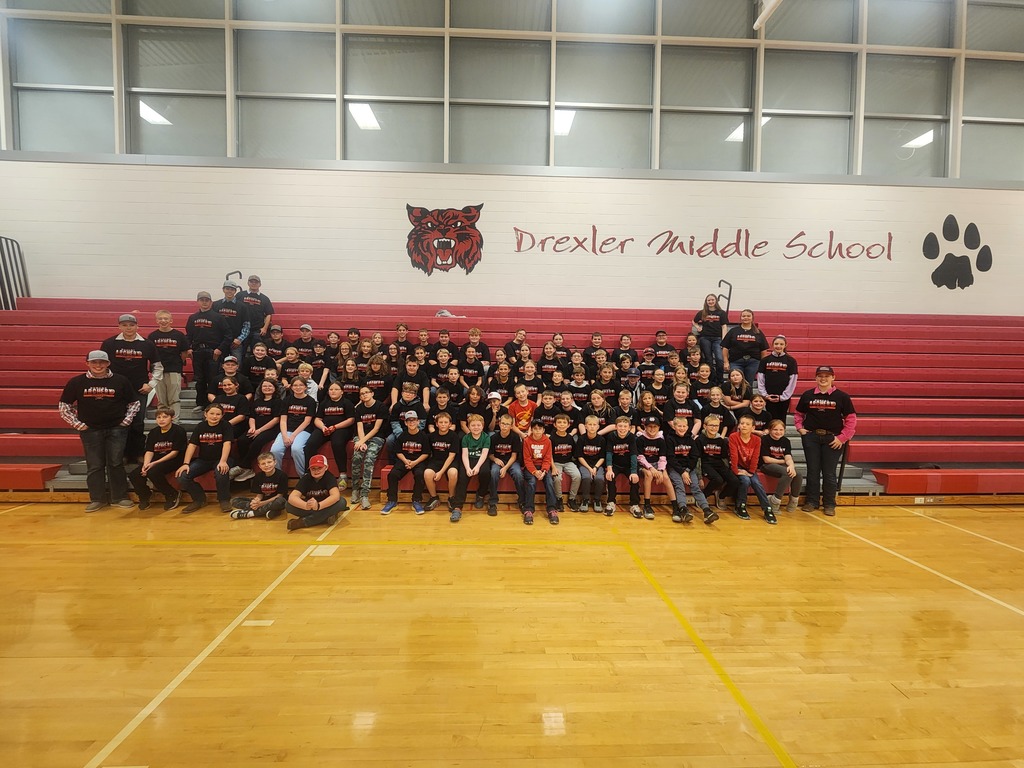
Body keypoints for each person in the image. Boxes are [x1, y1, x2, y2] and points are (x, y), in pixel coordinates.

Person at [58, 350, 140, 513]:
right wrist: (78, 424)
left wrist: (126, 421)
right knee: (95, 465)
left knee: (116, 463)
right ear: (87, 363)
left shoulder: (121, 381)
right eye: (94, 362)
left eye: (102, 362)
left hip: (116, 429)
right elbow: (64, 406)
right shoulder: (76, 382)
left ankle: (120, 497)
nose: (98, 365)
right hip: (90, 430)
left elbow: (134, 402)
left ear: (108, 364)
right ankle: (97, 499)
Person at [794, 365, 857, 517]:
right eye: (820, 376)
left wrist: (842, 438)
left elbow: (851, 419)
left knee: (829, 473)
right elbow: (798, 414)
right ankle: (811, 501)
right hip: (811, 438)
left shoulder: (842, 397)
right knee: (813, 470)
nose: (823, 379)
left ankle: (829, 504)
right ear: (815, 378)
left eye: (826, 376)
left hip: (833, 439)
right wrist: (800, 428)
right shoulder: (808, 395)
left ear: (833, 378)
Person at [101, 313, 162, 461]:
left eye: (131, 325)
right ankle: (121, 454)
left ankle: (137, 453)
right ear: (119, 326)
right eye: (125, 325)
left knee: (138, 421)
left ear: (137, 326)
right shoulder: (109, 343)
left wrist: (151, 385)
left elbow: (157, 367)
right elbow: (102, 365)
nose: (128, 328)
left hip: (139, 390)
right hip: (116, 390)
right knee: (118, 421)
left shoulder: (147, 344)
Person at [175, 403, 233, 513]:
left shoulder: (226, 426)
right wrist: (185, 464)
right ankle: (199, 500)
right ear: (205, 414)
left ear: (222, 416)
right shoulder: (200, 426)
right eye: (211, 413)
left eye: (218, 414)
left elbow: (227, 444)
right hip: (203, 460)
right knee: (182, 476)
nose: (214, 416)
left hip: (221, 459)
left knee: (221, 472)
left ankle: (224, 500)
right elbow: (192, 445)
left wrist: (223, 461)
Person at [129, 405, 187, 510]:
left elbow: (174, 453)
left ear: (172, 418)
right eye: (158, 417)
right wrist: (146, 464)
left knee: (153, 472)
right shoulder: (153, 432)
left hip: (173, 460)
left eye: (165, 417)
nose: (161, 420)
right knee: (134, 475)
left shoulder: (179, 431)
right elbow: (149, 451)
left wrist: (154, 464)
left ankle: (172, 494)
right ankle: (145, 495)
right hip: (155, 461)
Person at [665, 416, 717, 524]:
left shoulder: (690, 439)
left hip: (689, 469)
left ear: (688, 427)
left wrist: (687, 470)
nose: (682, 428)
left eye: (684, 426)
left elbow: (694, 456)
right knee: (680, 486)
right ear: (674, 427)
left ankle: (707, 511)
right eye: (679, 426)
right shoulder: (669, 439)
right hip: (675, 468)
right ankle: (683, 510)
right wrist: (682, 472)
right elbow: (671, 459)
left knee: (696, 488)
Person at [186, 290, 232, 413]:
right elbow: (188, 335)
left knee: (213, 379)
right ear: (198, 302)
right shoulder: (192, 318)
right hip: (197, 352)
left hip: (213, 352)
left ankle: (213, 404)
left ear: (211, 302)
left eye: (207, 300)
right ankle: (201, 403)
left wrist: (219, 349)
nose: (204, 302)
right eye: (202, 300)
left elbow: (228, 335)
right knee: (200, 379)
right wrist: (189, 348)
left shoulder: (218, 317)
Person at [304, 381, 355, 487]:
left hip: (341, 428)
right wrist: (322, 427)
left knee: (337, 443)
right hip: (325, 428)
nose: (333, 391)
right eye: (331, 389)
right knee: (310, 444)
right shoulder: (324, 403)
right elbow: (317, 419)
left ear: (342, 391)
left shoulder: (347, 403)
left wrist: (335, 427)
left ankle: (343, 474)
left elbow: (351, 420)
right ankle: (310, 473)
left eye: (336, 389)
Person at [381, 411, 431, 515]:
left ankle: (416, 500)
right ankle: (392, 501)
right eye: (409, 421)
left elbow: (426, 453)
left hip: (418, 461)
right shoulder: (402, 435)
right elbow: (398, 452)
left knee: (419, 475)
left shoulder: (423, 436)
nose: (411, 423)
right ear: (406, 423)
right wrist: (405, 461)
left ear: (418, 422)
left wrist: (414, 462)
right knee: (392, 475)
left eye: (414, 420)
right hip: (404, 460)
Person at [729, 414, 776, 524]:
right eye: (742, 423)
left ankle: (767, 509)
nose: (744, 426)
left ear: (753, 428)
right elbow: (734, 455)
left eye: (747, 424)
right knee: (745, 481)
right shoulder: (733, 437)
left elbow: (756, 457)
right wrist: (736, 471)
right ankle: (740, 505)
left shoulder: (757, 440)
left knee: (756, 483)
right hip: (738, 466)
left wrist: (750, 471)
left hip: (750, 468)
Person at [233, 379, 282, 482]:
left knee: (258, 441)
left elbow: (276, 419)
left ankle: (243, 466)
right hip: (255, 428)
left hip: (271, 429)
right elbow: (252, 417)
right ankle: (248, 468)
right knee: (242, 440)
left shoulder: (278, 402)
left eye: (270, 386)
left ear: (275, 388)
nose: (267, 388)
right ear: (260, 388)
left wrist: (259, 431)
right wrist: (252, 428)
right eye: (264, 386)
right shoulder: (257, 402)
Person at [285, 454, 348, 530]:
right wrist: (305, 505)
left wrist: (318, 506)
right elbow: (292, 497)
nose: (316, 471)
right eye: (313, 468)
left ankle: (304, 522)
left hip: (325, 506)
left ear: (326, 467)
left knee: (341, 502)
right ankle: (325, 518)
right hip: (310, 507)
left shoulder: (329, 477)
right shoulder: (306, 479)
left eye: (319, 468)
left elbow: (335, 496)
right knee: (288, 505)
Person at [269, 377, 317, 477]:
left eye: (301, 385)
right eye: (295, 385)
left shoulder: (310, 401)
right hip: (287, 430)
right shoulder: (286, 400)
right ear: (291, 387)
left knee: (296, 449)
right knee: (275, 450)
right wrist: (285, 436)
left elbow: (307, 422)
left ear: (305, 387)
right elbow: (283, 420)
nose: (298, 387)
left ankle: (303, 476)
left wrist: (293, 436)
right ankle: (278, 476)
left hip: (304, 430)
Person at [350, 386, 388, 510]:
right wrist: (361, 442)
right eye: (362, 394)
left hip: (376, 436)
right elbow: (360, 427)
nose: (364, 395)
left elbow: (376, 428)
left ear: (372, 393)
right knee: (356, 456)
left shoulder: (381, 407)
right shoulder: (359, 408)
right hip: (361, 437)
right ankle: (355, 489)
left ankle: (365, 494)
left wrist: (363, 441)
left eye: (367, 392)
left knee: (369, 459)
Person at [449, 413, 491, 523]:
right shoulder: (465, 438)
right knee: (462, 477)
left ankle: (481, 495)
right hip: (468, 459)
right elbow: (464, 454)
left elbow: (484, 454)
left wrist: (477, 467)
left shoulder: (486, 437)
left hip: (480, 460)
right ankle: (457, 507)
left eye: (478, 425)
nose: (476, 427)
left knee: (485, 472)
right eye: (473, 425)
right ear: (469, 426)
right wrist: (468, 468)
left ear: (482, 426)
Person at [149, 309, 188, 419]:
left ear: (171, 320)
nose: (163, 320)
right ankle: (163, 421)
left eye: (166, 318)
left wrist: (179, 364)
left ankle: (174, 422)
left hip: (174, 369)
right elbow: (150, 354)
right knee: (161, 400)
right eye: (160, 318)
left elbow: (184, 352)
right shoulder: (152, 336)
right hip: (158, 371)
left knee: (174, 399)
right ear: (157, 321)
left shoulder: (179, 335)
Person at [635, 415, 675, 520]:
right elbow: (640, 457)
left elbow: (662, 458)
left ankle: (675, 507)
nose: (652, 429)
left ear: (659, 428)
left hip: (657, 464)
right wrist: (651, 469)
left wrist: (660, 470)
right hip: (644, 464)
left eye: (655, 427)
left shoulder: (661, 440)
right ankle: (647, 505)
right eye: (649, 426)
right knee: (649, 475)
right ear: (645, 427)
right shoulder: (640, 439)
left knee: (665, 477)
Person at [695, 413, 737, 512]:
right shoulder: (699, 440)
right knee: (718, 479)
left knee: (735, 481)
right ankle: (703, 496)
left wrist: (728, 471)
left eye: (716, 426)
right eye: (711, 425)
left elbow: (724, 458)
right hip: (706, 464)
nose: (714, 428)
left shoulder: (721, 441)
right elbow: (698, 459)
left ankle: (721, 496)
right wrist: (699, 476)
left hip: (719, 463)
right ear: (705, 426)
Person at [229, 452, 288, 520]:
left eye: (269, 462)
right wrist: (256, 501)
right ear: (259, 466)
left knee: (280, 502)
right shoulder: (258, 476)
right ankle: (270, 511)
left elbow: (279, 496)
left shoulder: (282, 475)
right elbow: (259, 495)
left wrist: (261, 504)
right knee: (234, 500)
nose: (266, 465)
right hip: (263, 501)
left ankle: (251, 513)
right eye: (263, 463)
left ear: (275, 462)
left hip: (275, 501)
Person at [760, 419, 803, 514]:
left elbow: (788, 456)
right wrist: (783, 461)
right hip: (766, 465)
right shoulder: (765, 439)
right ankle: (775, 501)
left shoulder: (786, 441)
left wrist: (791, 465)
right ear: (770, 430)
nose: (778, 432)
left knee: (798, 474)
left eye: (781, 430)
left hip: (780, 465)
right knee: (787, 473)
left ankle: (794, 500)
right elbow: (766, 459)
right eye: (775, 429)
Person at [522, 419, 559, 526]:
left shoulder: (547, 441)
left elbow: (547, 458)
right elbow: (527, 459)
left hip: (543, 467)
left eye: (540, 429)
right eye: (535, 429)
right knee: (532, 482)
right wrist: (534, 472)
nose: (537, 431)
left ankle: (552, 510)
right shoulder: (527, 441)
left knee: (549, 482)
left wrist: (543, 471)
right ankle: (528, 510)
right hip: (530, 468)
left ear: (543, 430)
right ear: (531, 430)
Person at [487, 413, 525, 515]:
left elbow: (514, 456)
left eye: (507, 424)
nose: (504, 426)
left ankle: (522, 501)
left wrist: (505, 468)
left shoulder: (515, 437)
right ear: (499, 424)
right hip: (498, 460)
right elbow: (490, 454)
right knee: (494, 472)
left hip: (511, 462)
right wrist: (495, 459)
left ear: (511, 426)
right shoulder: (493, 437)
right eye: (503, 423)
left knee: (518, 474)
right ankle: (492, 502)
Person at [757, 334, 799, 424]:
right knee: (770, 420)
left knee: (781, 419)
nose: (778, 346)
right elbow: (760, 378)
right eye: (776, 344)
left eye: (781, 344)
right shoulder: (765, 360)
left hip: (783, 397)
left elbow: (793, 380)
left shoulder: (791, 361)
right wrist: (765, 395)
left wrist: (784, 397)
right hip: (769, 397)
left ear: (785, 345)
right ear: (772, 345)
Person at [722, 309, 768, 387]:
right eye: (744, 316)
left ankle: (746, 398)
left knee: (748, 384)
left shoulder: (758, 332)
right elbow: (725, 347)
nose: (746, 317)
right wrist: (726, 362)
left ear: (752, 318)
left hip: (753, 362)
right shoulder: (733, 331)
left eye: (748, 316)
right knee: (735, 382)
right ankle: (735, 398)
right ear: (741, 318)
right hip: (736, 361)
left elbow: (763, 350)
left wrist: (762, 364)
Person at [423, 412, 459, 514]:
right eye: (441, 422)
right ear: (436, 424)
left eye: (445, 422)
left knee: (453, 473)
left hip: (450, 460)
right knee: (427, 473)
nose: (443, 424)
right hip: (436, 460)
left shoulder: (454, 436)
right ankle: (434, 498)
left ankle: (451, 497)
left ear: (450, 424)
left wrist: (440, 472)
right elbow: (427, 453)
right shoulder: (431, 436)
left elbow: (452, 456)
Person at [604, 415, 640, 517]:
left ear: (629, 428)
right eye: (620, 426)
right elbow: (609, 453)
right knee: (610, 477)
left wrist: (633, 471)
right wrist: (609, 469)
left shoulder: (632, 437)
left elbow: (633, 455)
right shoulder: (611, 436)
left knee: (634, 479)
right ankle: (611, 502)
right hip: (615, 464)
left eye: (625, 426)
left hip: (628, 465)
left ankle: (634, 504)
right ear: (616, 427)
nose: (622, 429)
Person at [693, 293, 729, 382]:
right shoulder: (702, 312)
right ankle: (711, 380)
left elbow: (724, 326)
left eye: (712, 300)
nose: (711, 301)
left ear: (716, 301)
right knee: (708, 360)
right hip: (705, 338)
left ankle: (720, 380)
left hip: (717, 338)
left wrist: (723, 340)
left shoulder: (721, 313)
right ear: (706, 302)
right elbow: (694, 321)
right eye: (709, 300)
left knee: (719, 360)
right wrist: (697, 327)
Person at [574, 415, 606, 514]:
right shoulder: (581, 439)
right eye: (590, 424)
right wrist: (589, 468)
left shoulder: (602, 440)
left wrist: (595, 467)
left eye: (594, 425)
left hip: (597, 464)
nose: (592, 427)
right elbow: (579, 456)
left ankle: (597, 500)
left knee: (599, 478)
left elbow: (602, 457)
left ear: (598, 427)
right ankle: (585, 500)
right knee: (587, 477)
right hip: (584, 464)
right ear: (585, 426)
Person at [212, 281, 251, 357]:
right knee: (219, 366)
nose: (229, 291)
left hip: (235, 342)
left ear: (235, 291)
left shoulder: (242, 306)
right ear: (223, 290)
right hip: (220, 341)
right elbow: (213, 323)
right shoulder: (216, 305)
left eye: (232, 289)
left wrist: (239, 339)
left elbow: (246, 325)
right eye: (227, 289)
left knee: (237, 366)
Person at [550, 412, 580, 511]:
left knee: (577, 475)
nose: (562, 424)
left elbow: (574, 453)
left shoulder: (570, 438)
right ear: (554, 425)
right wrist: (553, 467)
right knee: (557, 478)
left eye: (564, 422)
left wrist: (575, 464)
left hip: (568, 462)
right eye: (559, 422)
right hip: (556, 462)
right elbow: (548, 455)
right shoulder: (552, 438)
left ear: (568, 425)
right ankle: (558, 499)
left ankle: (572, 499)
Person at [239, 274, 274, 349]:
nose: (253, 284)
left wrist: (265, 328)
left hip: (257, 330)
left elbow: (269, 314)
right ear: (248, 283)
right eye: (251, 282)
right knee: (242, 352)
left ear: (260, 284)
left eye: (256, 282)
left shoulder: (265, 298)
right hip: (242, 329)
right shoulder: (240, 295)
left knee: (256, 351)